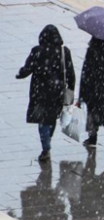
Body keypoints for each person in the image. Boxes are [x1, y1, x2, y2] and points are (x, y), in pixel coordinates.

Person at [16, 24, 76, 162]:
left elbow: (27, 69)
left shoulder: (37, 51)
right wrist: (70, 90)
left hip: (40, 92)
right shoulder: (63, 51)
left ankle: (46, 148)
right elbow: (70, 73)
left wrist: (20, 74)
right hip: (57, 92)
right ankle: (47, 141)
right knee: (51, 118)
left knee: (42, 120)